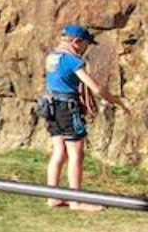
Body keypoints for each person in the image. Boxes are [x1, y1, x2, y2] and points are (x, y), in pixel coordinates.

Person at [42, 23, 127, 210]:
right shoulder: (73, 60)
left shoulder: (52, 57)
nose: (85, 49)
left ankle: (52, 196)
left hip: (50, 107)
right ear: (76, 42)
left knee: (59, 151)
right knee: (76, 152)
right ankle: (76, 200)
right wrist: (115, 100)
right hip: (66, 108)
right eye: (85, 44)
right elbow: (95, 88)